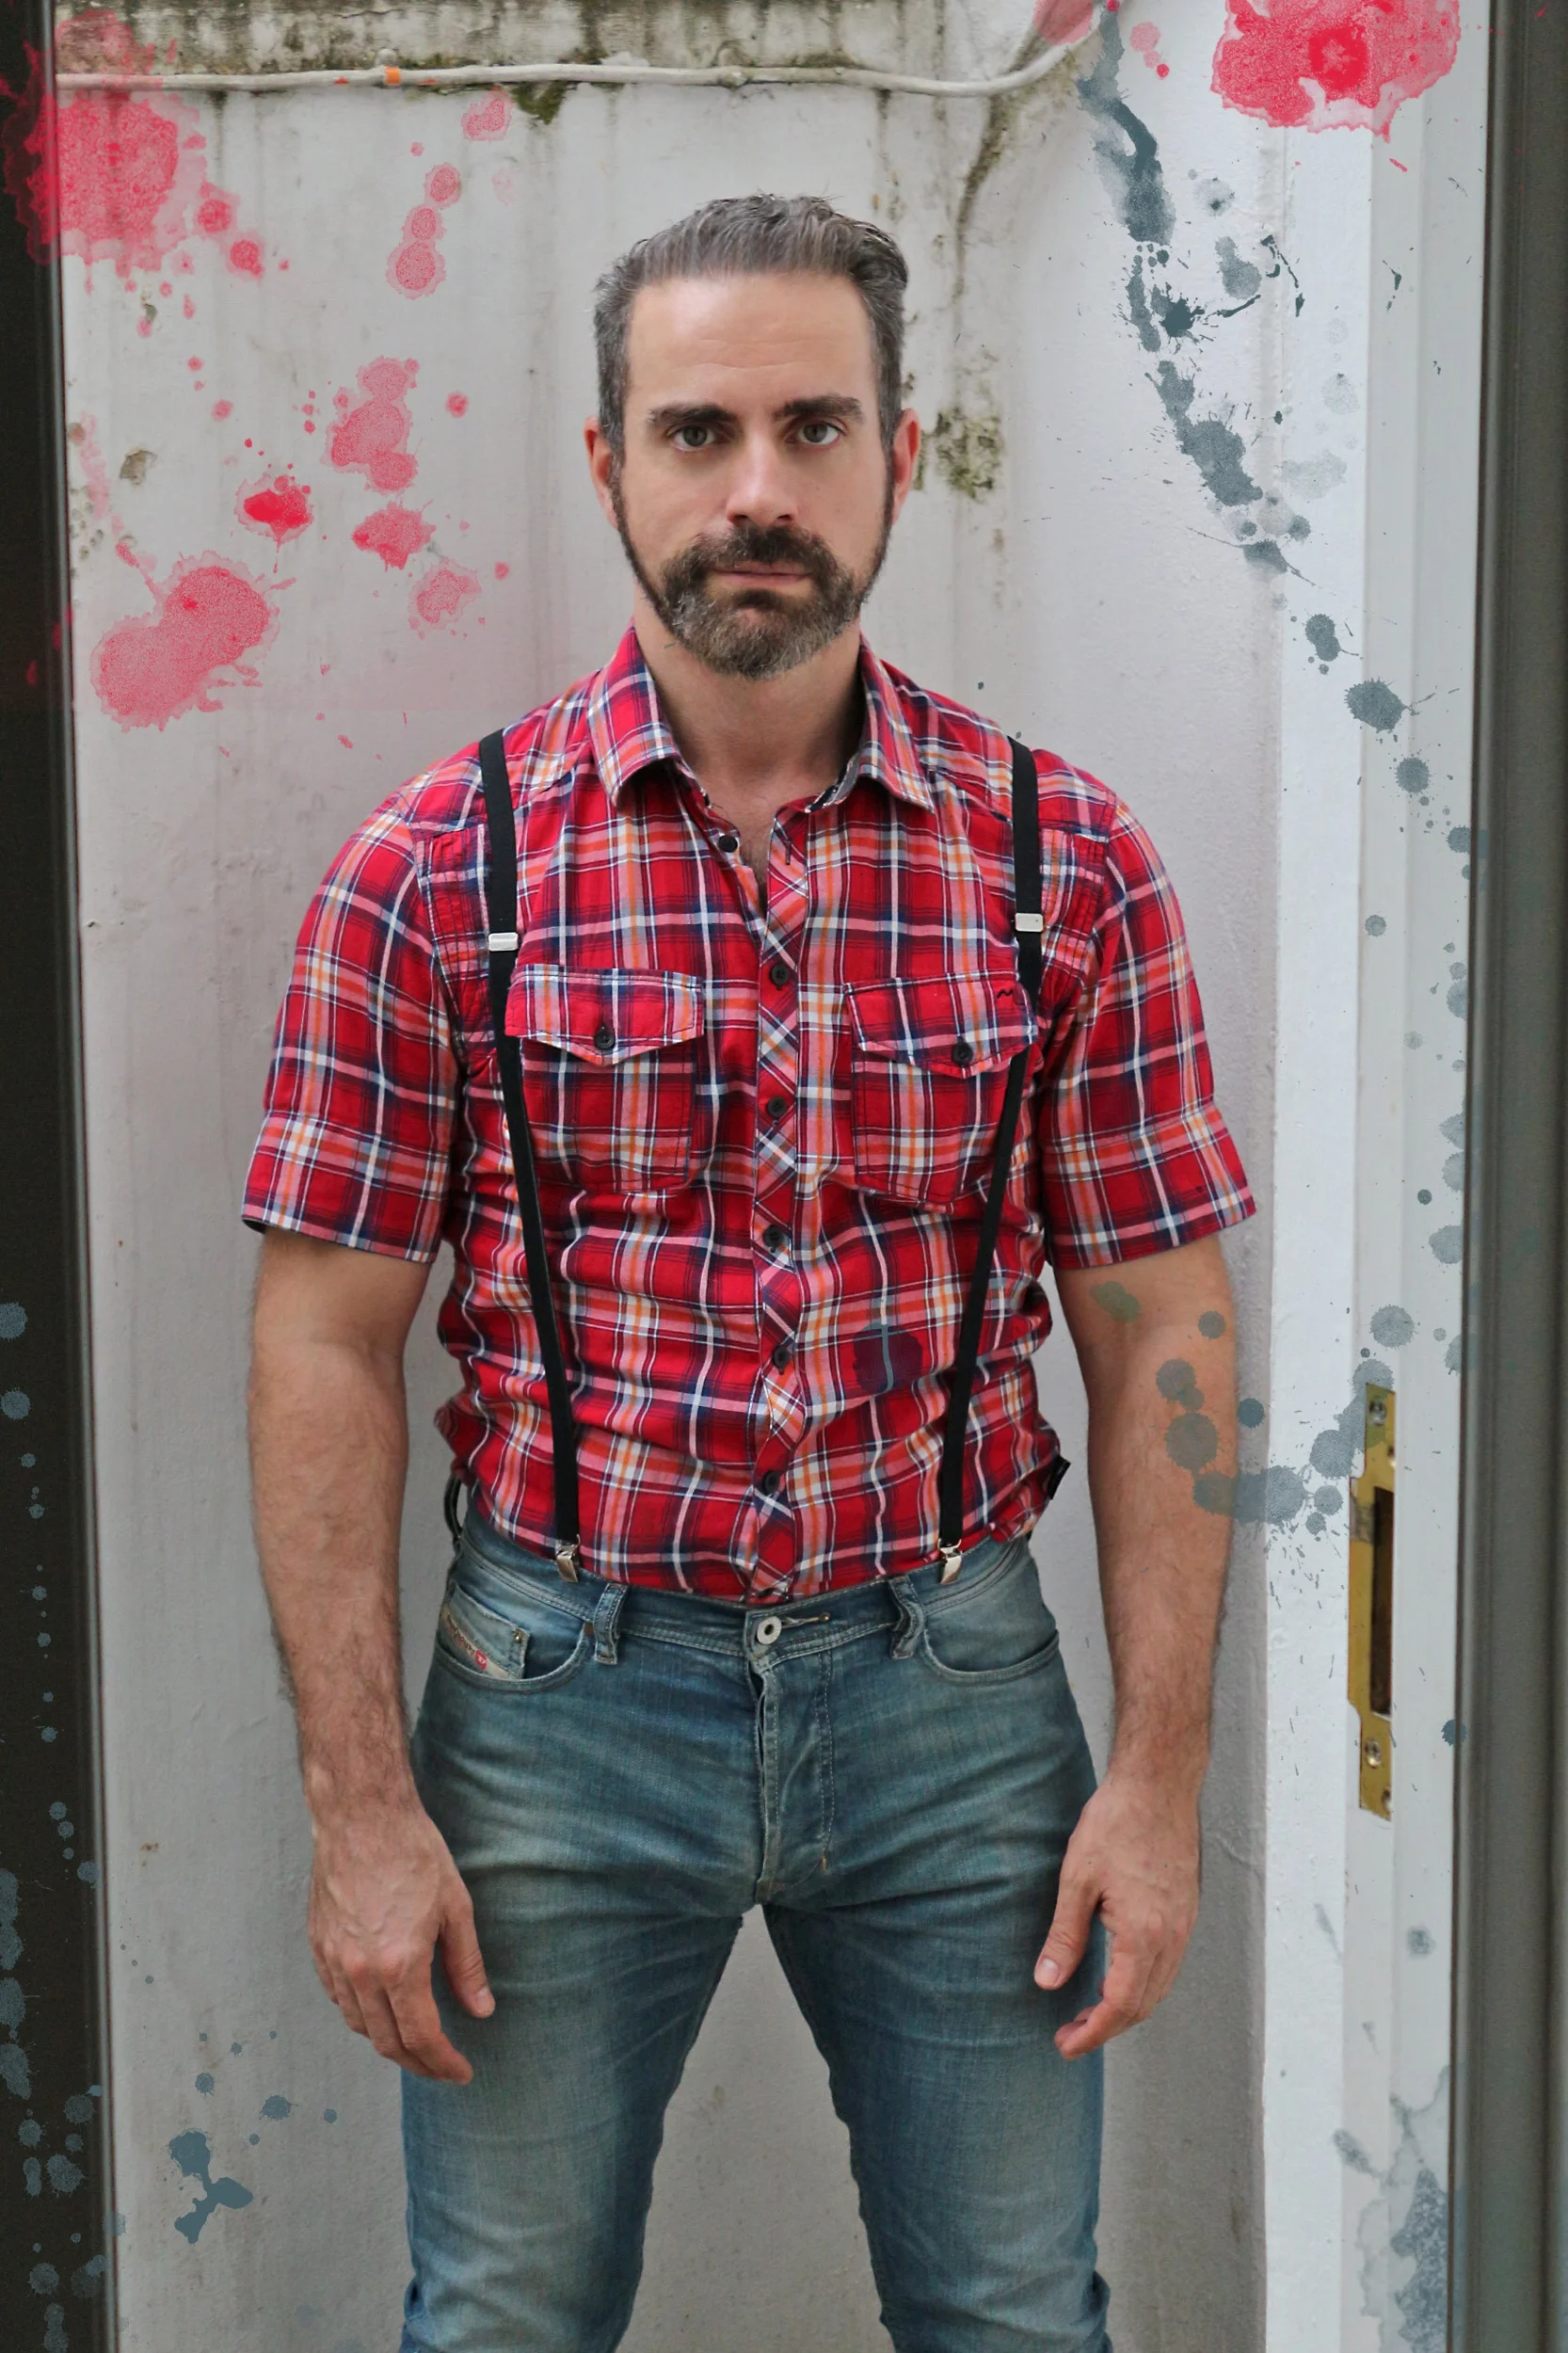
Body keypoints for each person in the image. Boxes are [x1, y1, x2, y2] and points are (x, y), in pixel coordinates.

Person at [246, 193, 1254, 2353]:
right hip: (553, 1699)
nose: (759, 490)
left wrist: (1154, 1782)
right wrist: (358, 1807)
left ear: (903, 451)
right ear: (607, 461)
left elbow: (1158, 1320)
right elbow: (323, 1338)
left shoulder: (1061, 864)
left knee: (1014, 2310)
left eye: (815, 423)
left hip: (954, 1697)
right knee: (502, 2311)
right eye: (697, 429)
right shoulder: (436, 869)